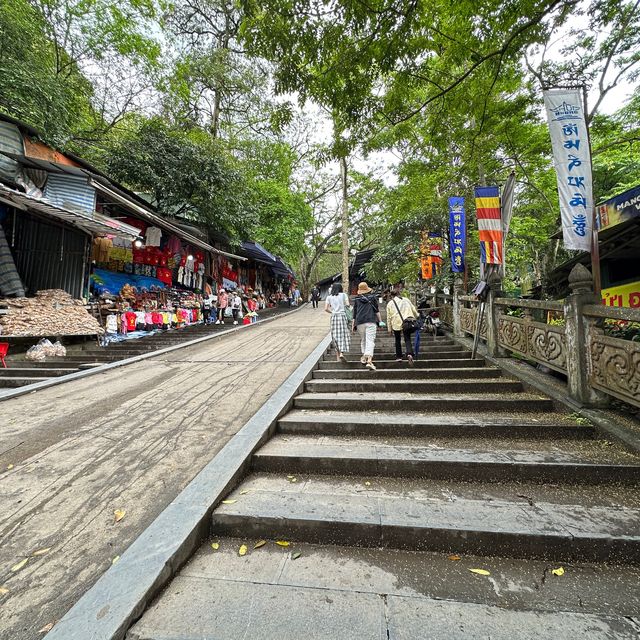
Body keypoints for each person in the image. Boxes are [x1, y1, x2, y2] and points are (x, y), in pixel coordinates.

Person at [352, 281, 380, 371]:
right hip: (370, 320)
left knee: (364, 339)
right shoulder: (373, 298)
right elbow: (377, 310)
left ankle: (364, 356)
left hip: (359, 322)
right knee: (370, 340)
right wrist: (380, 321)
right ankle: (369, 360)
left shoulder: (356, 299)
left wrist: (353, 325)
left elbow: (354, 313)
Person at [387, 289, 419, 365]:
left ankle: (399, 357)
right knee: (407, 338)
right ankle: (409, 354)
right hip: (407, 322)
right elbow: (414, 310)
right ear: (399, 293)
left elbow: (389, 317)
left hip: (396, 323)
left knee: (397, 339)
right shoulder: (406, 300)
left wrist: (389, 328)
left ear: (391, 296)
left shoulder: (390, 303)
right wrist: (417, 316)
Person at [324, 283, 351, 363]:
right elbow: (347, 305)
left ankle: (338, 357)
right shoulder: (343, 295)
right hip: (342, 316)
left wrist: (332, 312)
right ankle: (342, 353)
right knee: (344, 334)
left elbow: (326, 308)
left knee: (335, 336)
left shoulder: (329, 297)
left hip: (334, 317)